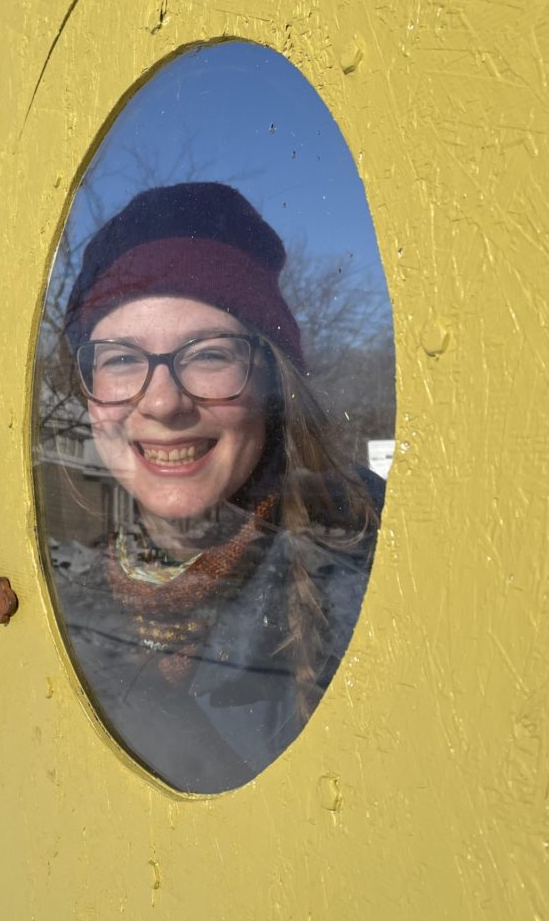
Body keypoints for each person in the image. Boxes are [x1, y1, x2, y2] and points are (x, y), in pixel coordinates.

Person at [44, 181, 384, 793]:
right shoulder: (53, 591)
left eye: (208, 354)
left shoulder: (381, 584)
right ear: (89, 395)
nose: (164, 402)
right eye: (120, 360)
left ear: (270, 383)